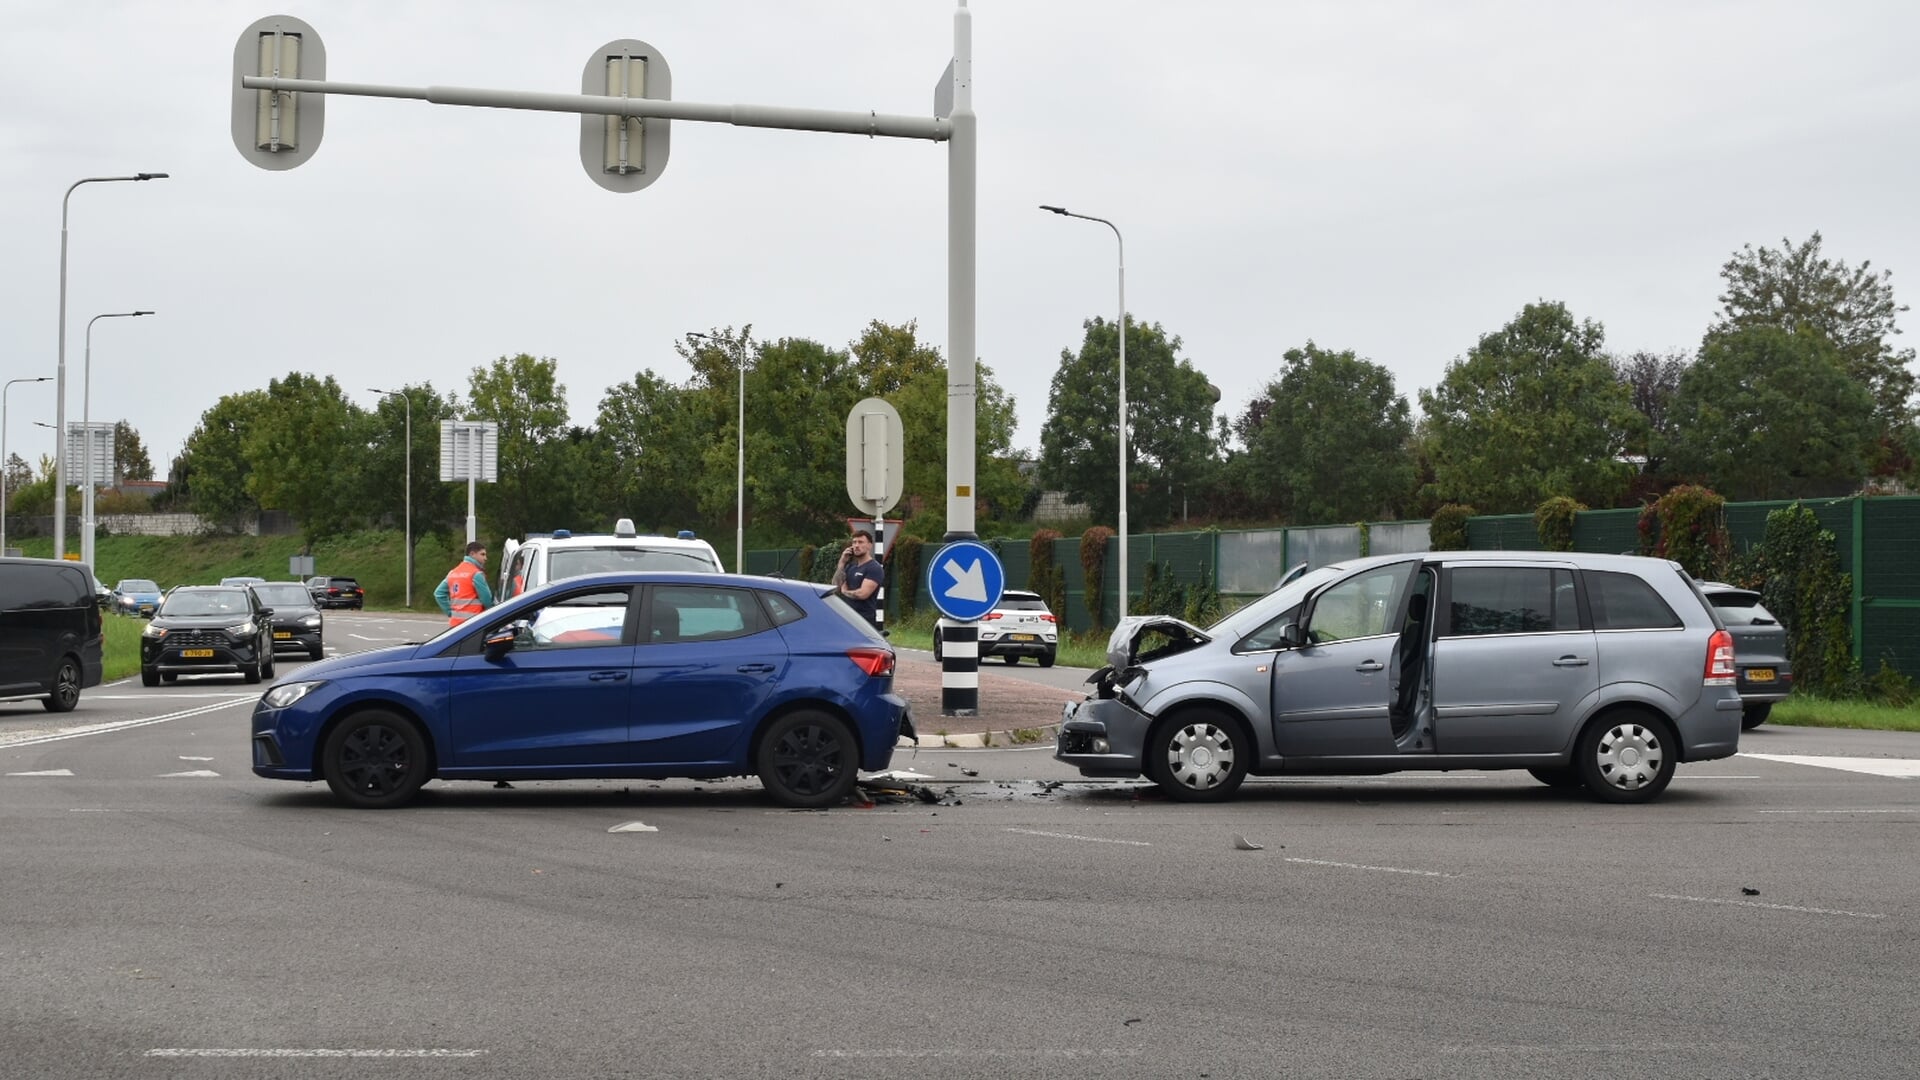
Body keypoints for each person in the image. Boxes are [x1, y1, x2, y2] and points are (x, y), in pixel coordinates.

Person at [434, 541, 494, 626]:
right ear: (472, 554)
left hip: (455, 625)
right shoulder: (476, 574)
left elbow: (438, 594)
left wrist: (450, 612)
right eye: (482, 554)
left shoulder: (452, 573)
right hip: (473, 624)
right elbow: (486, 599)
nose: (485, 558)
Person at [832, 530, 883, 627]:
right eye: (854, 542)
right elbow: (835, 586)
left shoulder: (874, 568)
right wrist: (842, 563)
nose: (856, 545)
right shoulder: (850, 567)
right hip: (847, 617)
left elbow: (863, 594)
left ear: (869, 545)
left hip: (864, 620)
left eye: (860, 542)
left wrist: (845, 592)